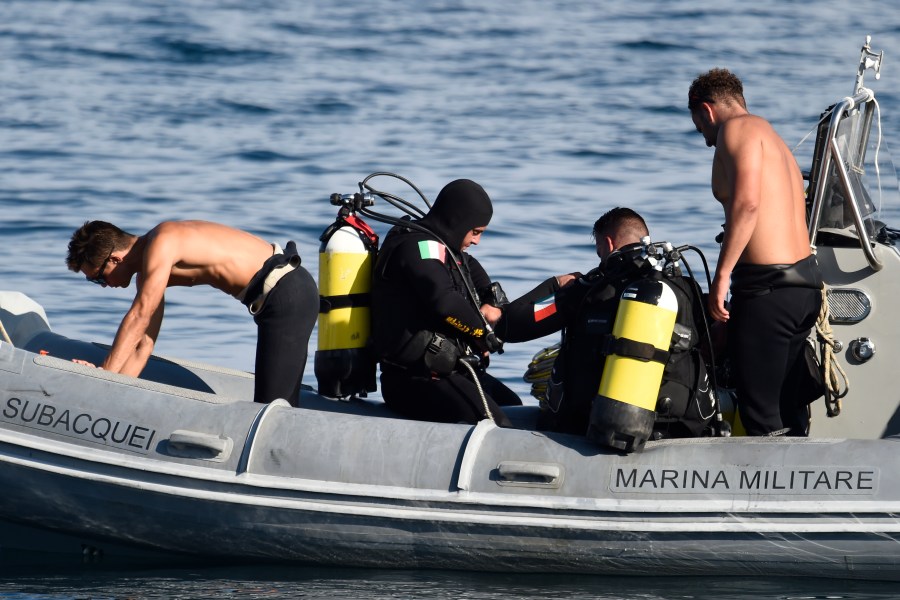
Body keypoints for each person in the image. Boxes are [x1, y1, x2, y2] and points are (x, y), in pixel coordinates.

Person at [495, 208, 715, 438]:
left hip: (597, 427)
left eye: (599, 253)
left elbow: (511, 325)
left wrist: (555, 285)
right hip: (679, 425)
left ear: (609, 245)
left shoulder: (591, 288)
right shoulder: (684, 287)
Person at [688, 68, 823, 436]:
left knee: (760, 415)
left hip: (769, 291)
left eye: (701, 129)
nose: (706, 142)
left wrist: (721, 280)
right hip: (803, 286)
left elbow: (747, 206)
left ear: (707, 110)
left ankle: (770, 492)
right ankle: (805, 486)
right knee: (786, 407)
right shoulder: (773, 139)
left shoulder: (737, 130)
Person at [65, 220, 318, 406]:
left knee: (273, 408)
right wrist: (111, 389)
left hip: (287, 292)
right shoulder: (148, 273)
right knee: (271, 401)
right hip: (277, 297)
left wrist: (102, 376)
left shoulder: (162, 242)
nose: (105, 286)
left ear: (115, 259)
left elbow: (140, 314)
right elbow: (143, 345)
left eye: (98, 279)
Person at [371, 179, 521, 427]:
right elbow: (445, 302)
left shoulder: (443, 248)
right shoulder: (416, 248)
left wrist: (490, 299)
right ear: (457, 221)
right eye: (476, 232)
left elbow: (470, 267)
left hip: (449, 372)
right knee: (499, 425)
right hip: (412, 381)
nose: (477, 241)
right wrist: (483, 335)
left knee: (512, 403)